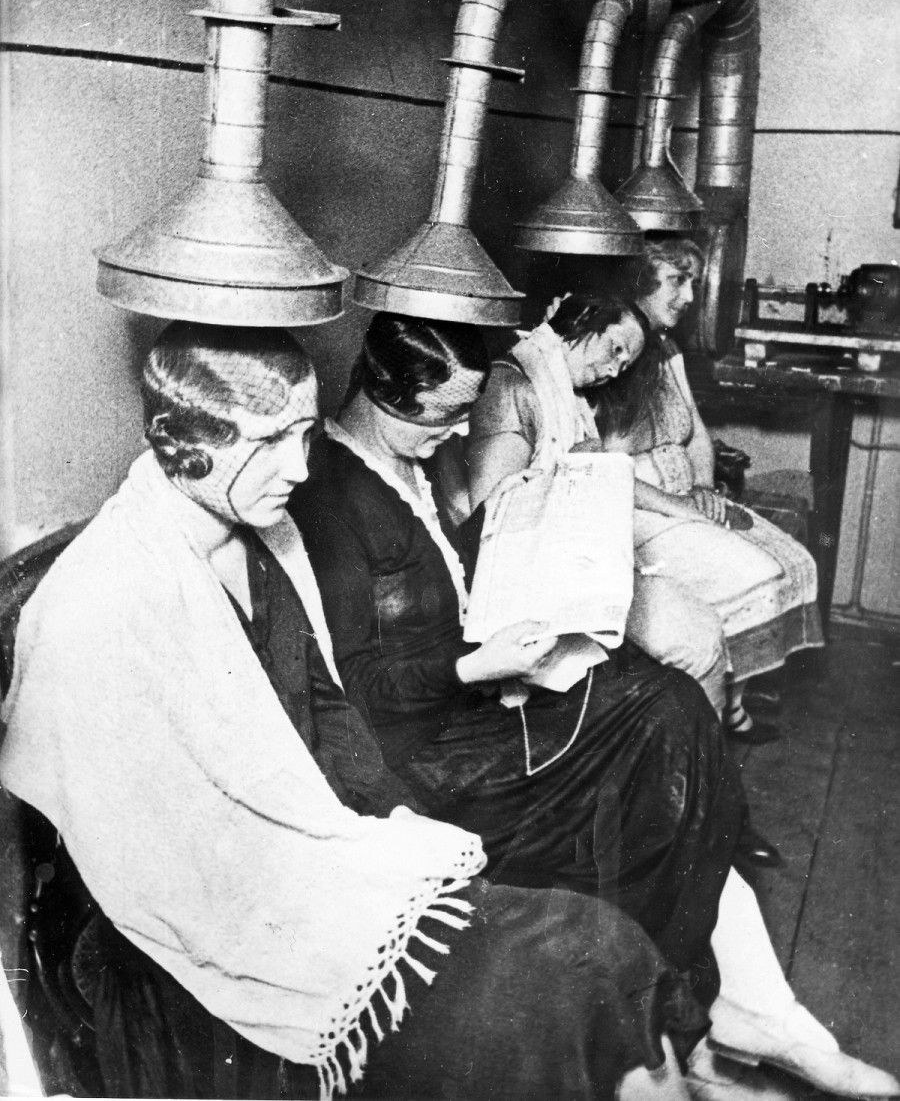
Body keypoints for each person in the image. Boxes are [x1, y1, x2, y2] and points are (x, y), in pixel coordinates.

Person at [1, 321, 720, 1101]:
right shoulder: (93, 602)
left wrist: (394, 816)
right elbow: (149, 859)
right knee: (557, 979)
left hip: (316, 846)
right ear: (185, 443)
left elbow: (328, 706)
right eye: (270, 441)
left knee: (599, 946)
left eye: (305, 436)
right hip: (202, 929)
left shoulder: (265, 536)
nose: (300, 467)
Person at [291, 312, 897, 1101]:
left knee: (673, 706)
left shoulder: (403, 461)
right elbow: (363, 690)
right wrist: (478, 663)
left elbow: (445, 580)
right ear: (383, 393)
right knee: (658, 733)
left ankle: (711, 1022)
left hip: (472, 705)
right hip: (433, 761)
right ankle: (689, 1035)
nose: (449, 438)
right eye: (439, 417)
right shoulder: (334, 496)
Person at [592, 238, 824, 740]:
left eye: (693, 281)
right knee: (755, 573)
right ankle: (716, 715)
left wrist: (703, 488)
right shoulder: (612, 346)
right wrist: (682, 507)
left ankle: (732, 701)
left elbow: (694, 428)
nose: (690, 295)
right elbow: (605, 470)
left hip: (679, 496)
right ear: (639, 282)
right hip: (634, 507)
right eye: (678, 281)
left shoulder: (667, 348)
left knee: (792, 559)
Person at [466, 293, 731, 715]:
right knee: (696, 639)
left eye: (623, 366)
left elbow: (598, 471)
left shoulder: (567, 395)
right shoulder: (514, 386)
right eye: (615, 350)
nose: (612, 371)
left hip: (573, 565)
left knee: (702, 622)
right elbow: (491, 523)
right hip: (534, 589)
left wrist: (676, 507)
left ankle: (697, 755)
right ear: (584, 321)